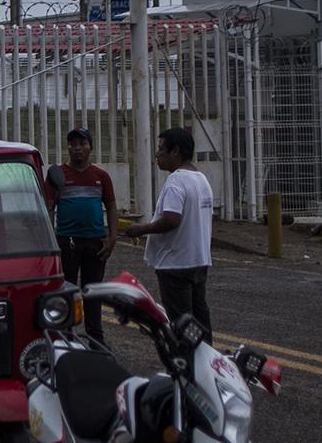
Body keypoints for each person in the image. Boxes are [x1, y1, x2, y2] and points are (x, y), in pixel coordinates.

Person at [121, 127, 216, 341]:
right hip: (199, 260)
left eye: (161, 149)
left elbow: (172, 219)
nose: (157, 154)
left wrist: (141, 228)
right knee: (200, 318)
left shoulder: (176, 181)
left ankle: (187, 365)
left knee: (181, 323)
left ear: (175, 151)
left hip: (175, 263)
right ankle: (207, 361)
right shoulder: (201, 179)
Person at [42, 128, 116, 341]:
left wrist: (112, 238)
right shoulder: (57, 175)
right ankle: (65, 337)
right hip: (67, 242)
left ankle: (95, 338)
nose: (77, 148)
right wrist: (51, 239)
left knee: (93, 292)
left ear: (90, 147)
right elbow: (49, 208)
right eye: (73, 144)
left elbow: (111, 206)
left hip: (96, 243)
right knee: (66, 292)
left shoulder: (101, 176)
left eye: (82, 144)